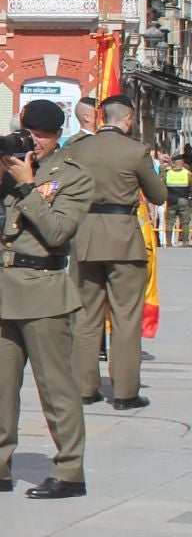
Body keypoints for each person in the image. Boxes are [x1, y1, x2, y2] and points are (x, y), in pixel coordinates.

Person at [0, 100, 91, 500]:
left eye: (42, 136)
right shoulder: (11, 168)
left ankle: (69, 471)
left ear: (57, 135)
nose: (35, 142)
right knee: (0, 386)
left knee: (56, 386)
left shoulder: (74, 175)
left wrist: (28, 186)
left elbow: (59, 231)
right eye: (30, 134)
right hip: (1, 288)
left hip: (43, 289)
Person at [65, 94, 166, 409]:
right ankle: (124, 392)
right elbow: (159, 195)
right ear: (129, 118)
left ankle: (84, 388)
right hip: (123, 236)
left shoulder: (77, 149)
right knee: (125, 317)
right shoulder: (136, 151)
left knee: (85, 315)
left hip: (85, 237)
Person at [164, 153, 192, 247]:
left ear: (174, 163)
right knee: (185, 222)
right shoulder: (187, 174)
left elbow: (162, 187)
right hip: (184, 200)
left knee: (170, 222)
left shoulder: (168, 174)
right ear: (182, 162)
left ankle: (168, 242)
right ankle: (185, 242)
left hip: (171, 201)